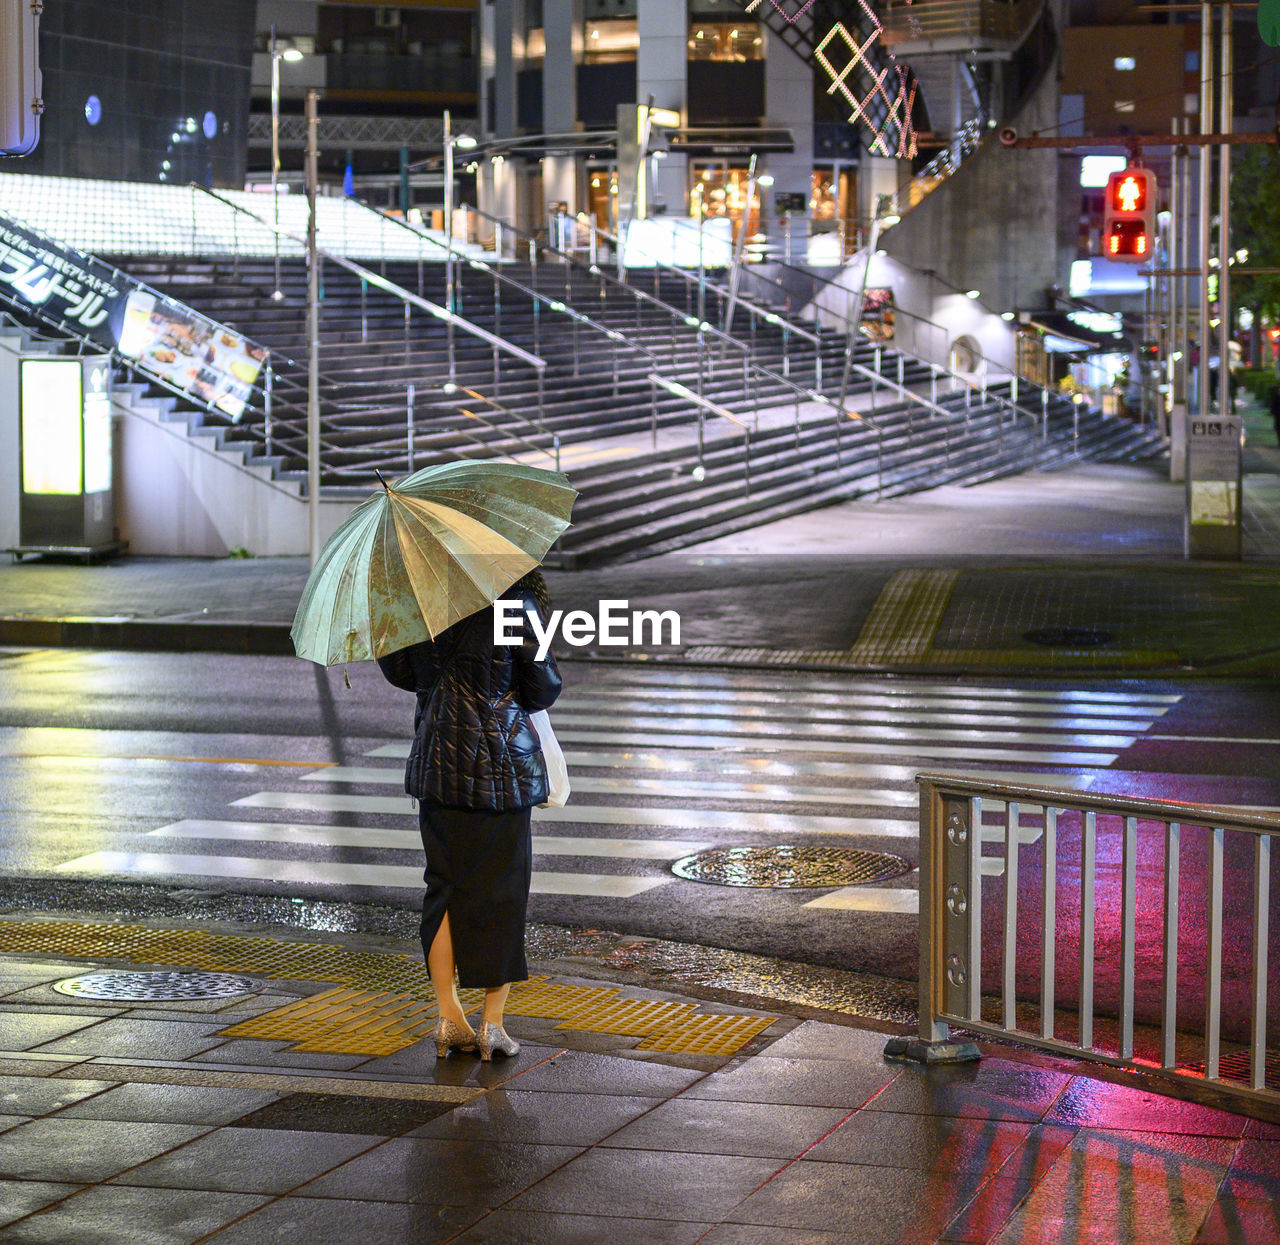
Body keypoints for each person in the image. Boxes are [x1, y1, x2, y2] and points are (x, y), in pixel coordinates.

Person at [378, 569, 562, 1061]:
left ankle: (449, 1018)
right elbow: (543, 686)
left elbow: (399, 671)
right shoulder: (513, 600)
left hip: (438, 763)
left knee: (444, 888)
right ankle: (492, 1026)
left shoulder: (420, 596)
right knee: (502, 893)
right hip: (501, 769)